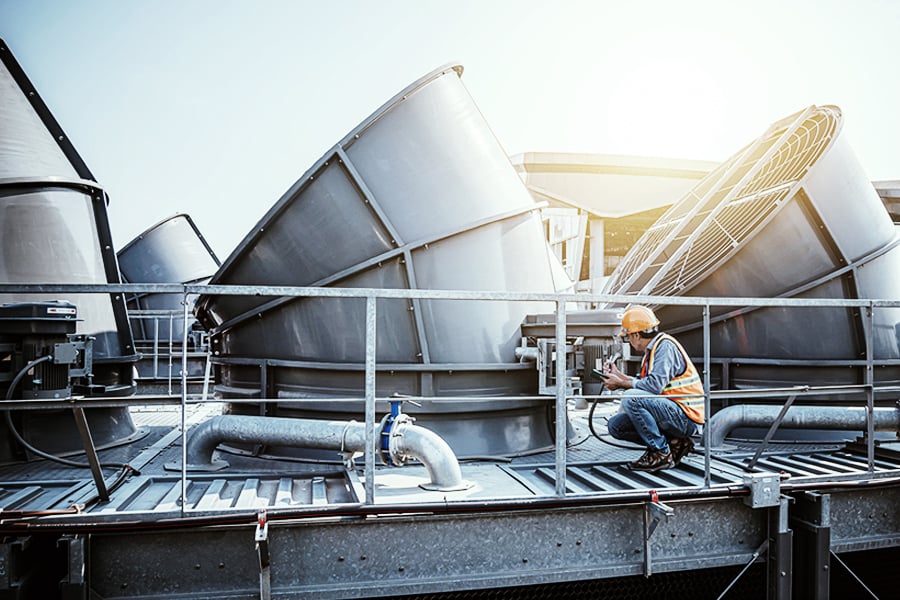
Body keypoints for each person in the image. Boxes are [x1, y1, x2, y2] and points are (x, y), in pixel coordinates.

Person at [601, 305, 705, 472]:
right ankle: (675, 442)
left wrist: (621, 384)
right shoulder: (653, 350)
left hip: (686, 417)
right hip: (673, 412)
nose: (629, 341)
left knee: (631, 397)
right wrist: (619, 376)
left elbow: (654, 386)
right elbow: (645, 386)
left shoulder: (664, 347)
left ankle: (660, 453)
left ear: (636, 334)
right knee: (616, 426)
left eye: (628, 337)